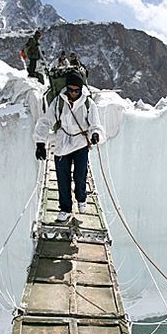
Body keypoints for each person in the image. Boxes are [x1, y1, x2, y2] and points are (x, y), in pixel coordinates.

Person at [34, 70, 103, 222]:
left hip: (81, 143)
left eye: (76, 90)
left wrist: (95, 133)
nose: (73, 93)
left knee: (80, 175)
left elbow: (95, 124)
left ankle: (81, 198)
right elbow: (46, 121)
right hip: (62, 143)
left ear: (81, 89)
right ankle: (65, 208)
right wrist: (40, 142)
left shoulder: (88, 103)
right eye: (70, 89)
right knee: (62, 178)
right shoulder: (59, 102)